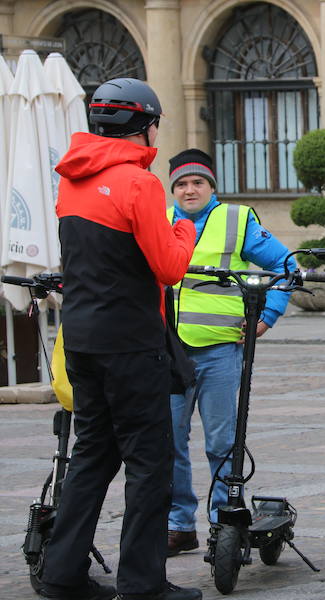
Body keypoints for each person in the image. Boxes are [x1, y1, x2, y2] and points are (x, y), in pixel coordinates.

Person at [39, 78, 201, 600]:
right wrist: (186, 229)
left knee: (91, 457)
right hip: (131, 344)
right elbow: (171, 268)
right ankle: (142, 583)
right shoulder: (138, 182)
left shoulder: (71, 179)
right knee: (150, 465)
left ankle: (60, 574)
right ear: (144, 126)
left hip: (82, 340)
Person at [164, 149, 298, 557]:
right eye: (181, 184)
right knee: (167, 440)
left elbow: (287, 266)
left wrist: (267, 315)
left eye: (197, 183)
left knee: (221, 443)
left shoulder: (236, 220)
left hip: (220, 351)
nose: (189, 190)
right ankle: (179, 524)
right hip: (169, 351)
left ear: (211, 186)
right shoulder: (160, 221)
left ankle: (225, 523)